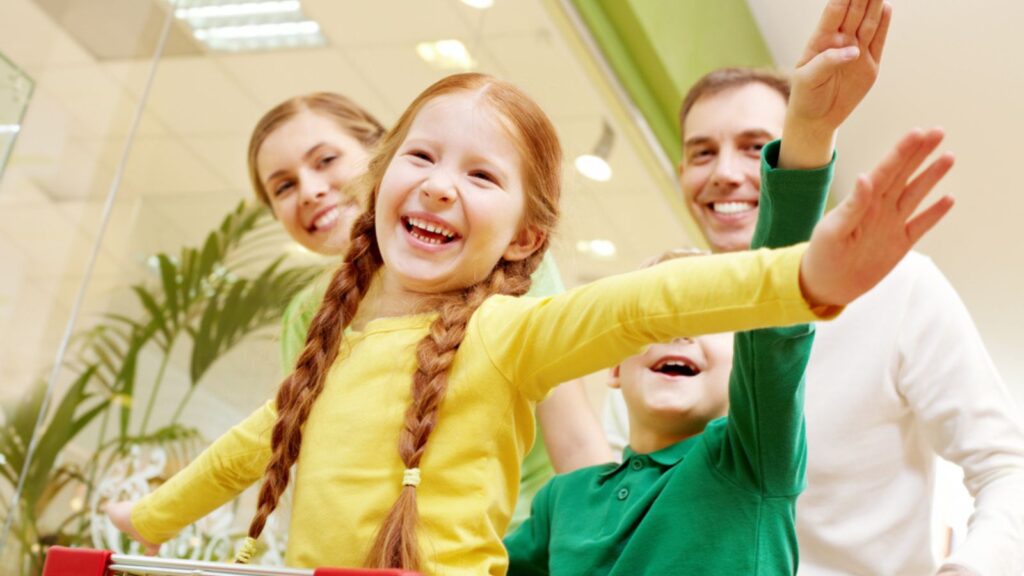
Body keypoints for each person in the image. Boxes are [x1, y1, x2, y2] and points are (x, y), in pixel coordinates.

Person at [107, 41, 947, 572]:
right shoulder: (336, 353)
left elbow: (653, 301)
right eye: (424, 156)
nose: (440, 182)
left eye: (480, 174)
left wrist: (807, 276)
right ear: (384, 182)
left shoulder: (515, 334)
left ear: (522, 240)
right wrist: (146, 518)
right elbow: (241, 453)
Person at [604, 2, 1024, 574]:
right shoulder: (658, 319)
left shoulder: (899, 289)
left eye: (757, 147)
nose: (725, 172)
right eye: (702, 151)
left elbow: (1005, 467)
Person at [247, 92, 610, 529]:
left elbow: (573, 437)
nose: (310, 190)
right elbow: (317, 466)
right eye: (283, 186)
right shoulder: (308, 315)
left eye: (325, 160)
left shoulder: (505, 263)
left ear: (385, 154)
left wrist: (600, 552)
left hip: (513, 546)